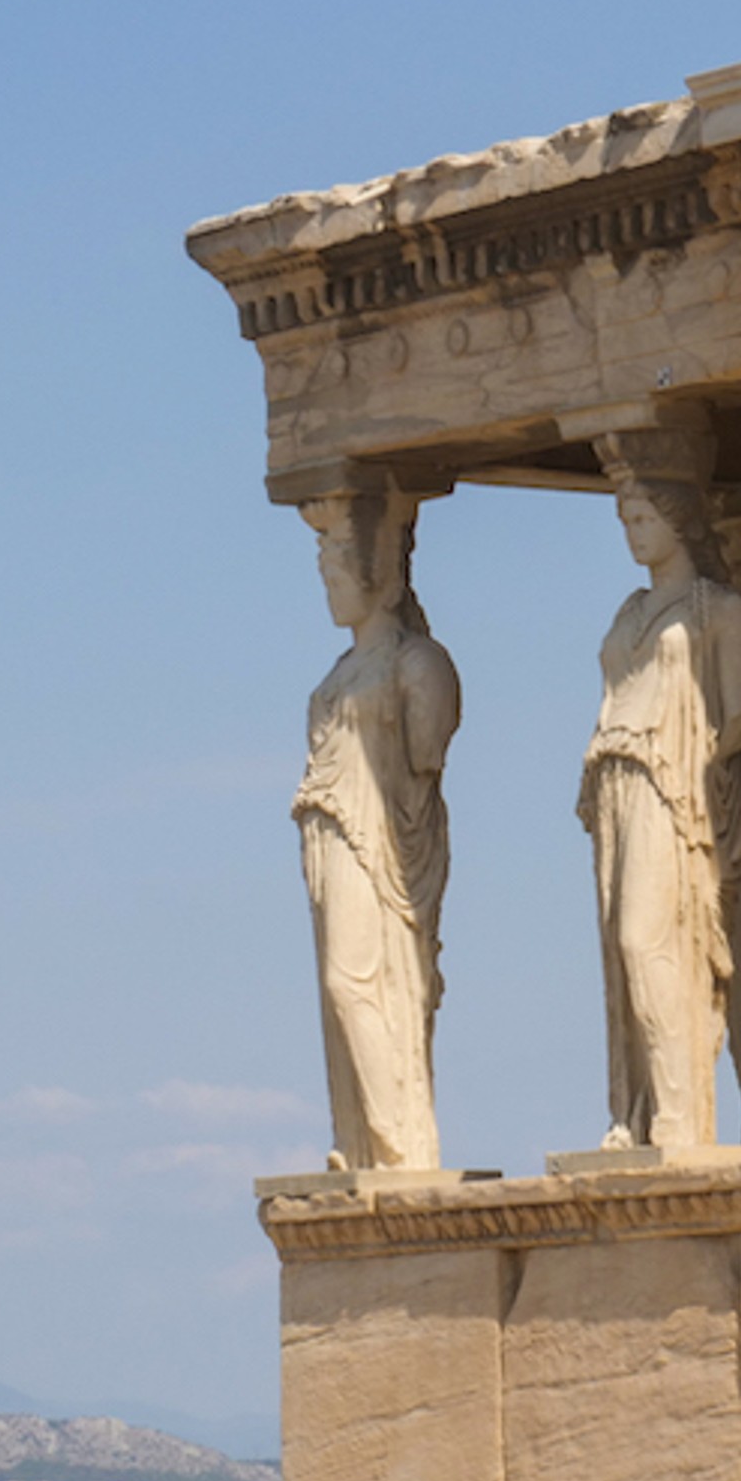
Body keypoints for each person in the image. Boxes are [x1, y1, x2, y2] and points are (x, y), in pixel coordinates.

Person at [579, 478, 741, 1149]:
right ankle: (639, 1112)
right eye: (626, 517)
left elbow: (739, 717)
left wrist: (696, 768)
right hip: (615, 783)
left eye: (645, 515)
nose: (633, 529)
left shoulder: (721, 611)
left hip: (673, 786)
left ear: (680, 519)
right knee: (620, 956)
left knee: (647, 939)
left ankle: (681, 1113)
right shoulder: (629, 611)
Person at [292, 497, 459, 1171]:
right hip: (332, 837)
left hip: (380, 842)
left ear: (376, 572)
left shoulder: (419, 663)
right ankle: (360, 1140)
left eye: (339, 564)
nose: (328, 580)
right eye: (324, 566)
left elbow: (425, 760)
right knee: (338, 996)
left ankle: (401, 1148)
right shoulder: (341, 670)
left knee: (355, 982)